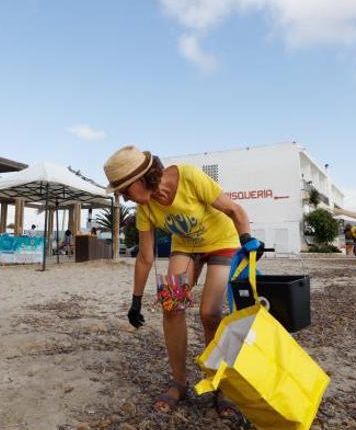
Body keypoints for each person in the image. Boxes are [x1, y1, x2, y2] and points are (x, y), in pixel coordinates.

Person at [103, 145, 262, 419]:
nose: (124, 197)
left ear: (140, 179)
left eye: (124, 190)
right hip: (186, 247)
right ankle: (179, 382)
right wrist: (135, 300)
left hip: (222, 242)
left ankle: (221, 383)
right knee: (171, 306)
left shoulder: (188, 177)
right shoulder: (146, 208)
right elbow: (144, 257)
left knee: (209, 313)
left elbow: (234, 210)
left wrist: (246, 238)